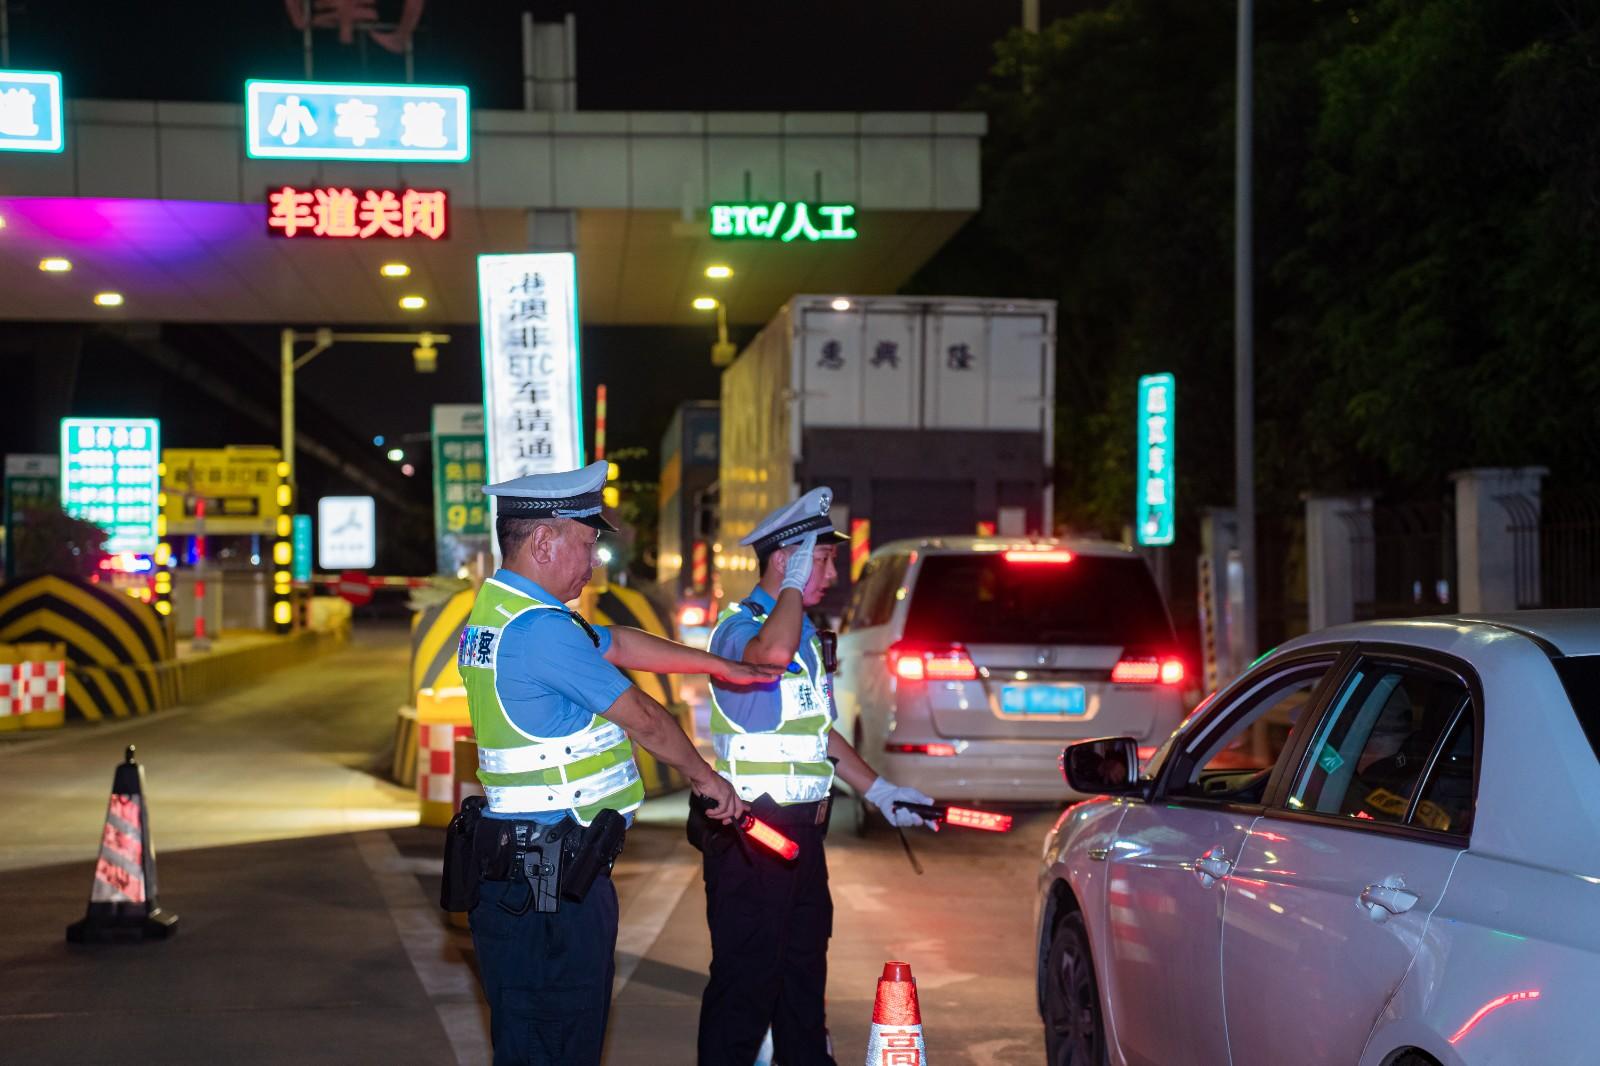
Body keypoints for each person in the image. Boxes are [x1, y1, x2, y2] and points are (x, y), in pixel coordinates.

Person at [458, 460, 781, 1066]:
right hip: (547, 886)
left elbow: (622, 642)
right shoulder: (538, 631)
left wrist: (717, 665)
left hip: (530, 873)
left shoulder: (506, 613)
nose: (591, 564)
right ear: (544, 539)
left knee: (542, 1039)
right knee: (554, 1043)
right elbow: (646, 719)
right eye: (586, 545)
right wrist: (710, 783)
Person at [696, 487, 936, 1066]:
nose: (834, 571)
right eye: (822, 559)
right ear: (785, 559)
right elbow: (765, 661)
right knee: (744, 992)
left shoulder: (802, 635)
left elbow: (817, 732)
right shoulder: (740, 630)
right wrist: (793, 588)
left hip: (803, 840)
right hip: (752, 836)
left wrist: (879, 790)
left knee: (802, 988)